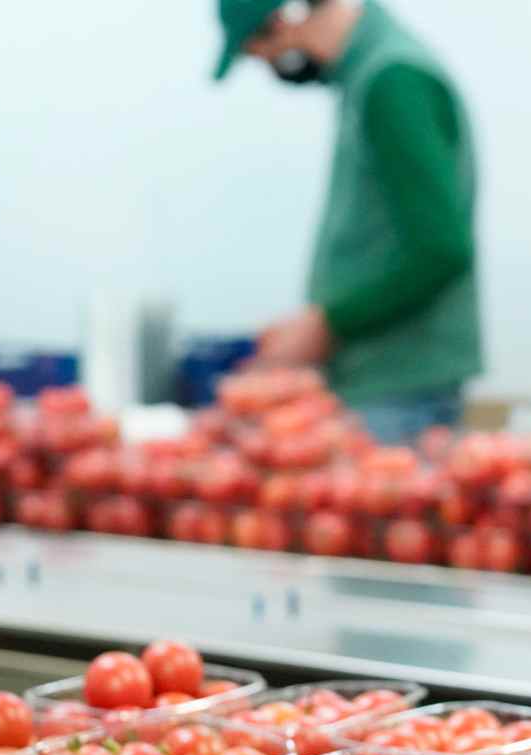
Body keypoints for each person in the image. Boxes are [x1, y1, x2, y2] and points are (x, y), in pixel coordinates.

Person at [213, 0, 483, 444]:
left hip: (398, 392)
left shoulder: (393, 81)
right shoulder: (368, 77)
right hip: (380, 385)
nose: (270, 68)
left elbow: (441, 249)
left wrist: (326, 325)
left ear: (283, 20)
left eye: (260, 55)